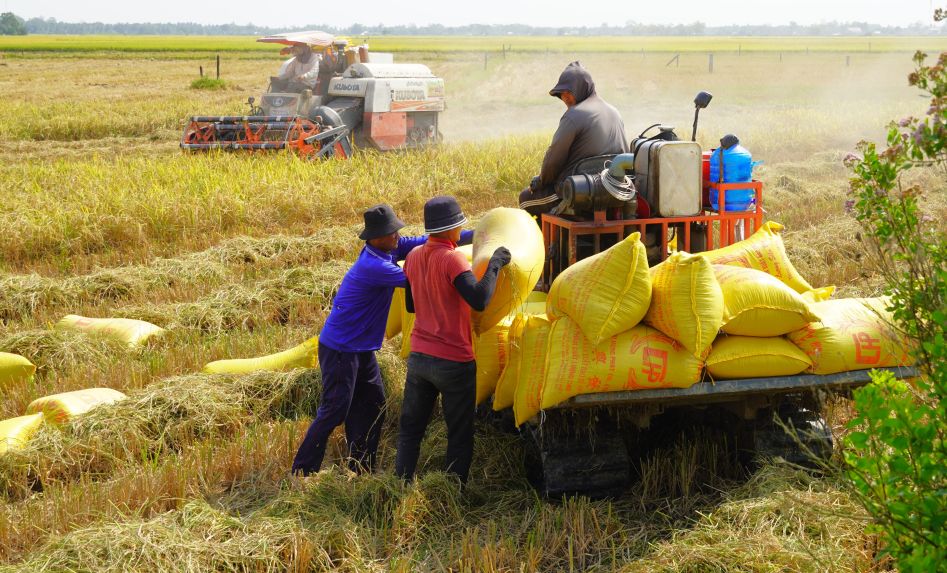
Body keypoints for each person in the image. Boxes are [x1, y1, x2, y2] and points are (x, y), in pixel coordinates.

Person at [291, 204, 473, 476]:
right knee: (335, 409)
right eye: (391, 233)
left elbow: (428, 241)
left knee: (373, 403)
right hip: (341, 347)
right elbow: (422, 277)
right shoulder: (374, 266)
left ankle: (360, 467)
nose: (397, 236)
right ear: (375, 237)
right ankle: (303, 470)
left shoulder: (387, 249)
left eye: (397, 231)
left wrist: (470, 234)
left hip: (361, 347)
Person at [394, 196, 512, 485]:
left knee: (411, 430)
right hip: (454, 363)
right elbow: (480, 299)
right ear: (451, 230)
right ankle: (451, 493)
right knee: (459, 434)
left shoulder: (413, 257)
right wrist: (495, 262)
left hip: (420, 359)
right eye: (460, 225)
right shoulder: (453, 259)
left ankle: (399, 484)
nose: (462, 230)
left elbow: (411, 305)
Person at [518, 61, 630, 217]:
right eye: (561, 94)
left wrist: (541, 181)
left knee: (525, 199)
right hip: (614, 189)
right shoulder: (614, 112)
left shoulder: (573, 116)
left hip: (578, 192)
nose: (564, 97)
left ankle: (549, 239)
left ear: (581, 88)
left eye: (568, 92)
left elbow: (553, 160)